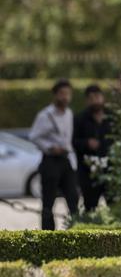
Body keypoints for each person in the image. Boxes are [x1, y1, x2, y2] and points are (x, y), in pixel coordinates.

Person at [29, 79, 79, 229]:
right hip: (50, 160)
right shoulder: (45, 115)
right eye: (62, 94)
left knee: (73, 197)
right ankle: (48, 235)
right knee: (48, 201)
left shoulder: (69, 113)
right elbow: (34, 136)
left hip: (65, 160)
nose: (65, 97)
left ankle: (76, 230)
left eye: (68, 94)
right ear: (55, 95)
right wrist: (50, 147)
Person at [72, 84, 113, 212]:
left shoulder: (112, 117)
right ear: (87, 101)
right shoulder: (79, 119)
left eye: (97, 97)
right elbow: (72, 141)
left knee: (114, 205)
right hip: (88, 172)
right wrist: (86, 143)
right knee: (90, 207)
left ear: (103, 98)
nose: (95, 101)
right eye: (91, 98)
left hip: (111, 169)